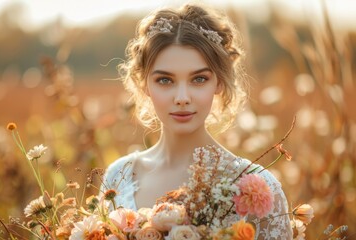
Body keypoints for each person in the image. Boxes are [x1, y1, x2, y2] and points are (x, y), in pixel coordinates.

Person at [102, 3, 292, 239]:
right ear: (145, 85)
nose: (182, 98)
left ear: (219, 82)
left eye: (199, 79)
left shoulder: (258, 189)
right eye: (164, 80)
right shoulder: (118, 176)